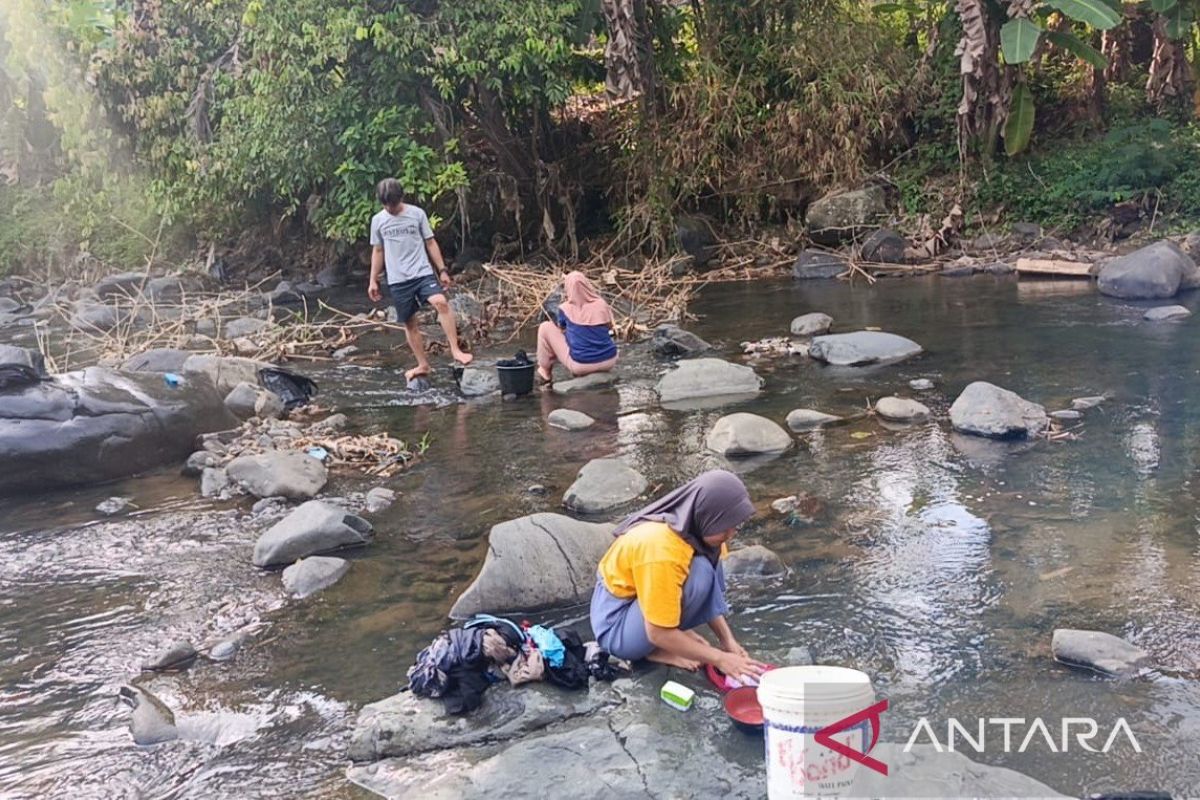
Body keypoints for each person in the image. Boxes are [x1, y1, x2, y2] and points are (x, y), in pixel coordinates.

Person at [590, 470, 767, 680]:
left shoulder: (701, 533)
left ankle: (669, 636)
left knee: (703, 570)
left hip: (639, 607)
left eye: (734, 526)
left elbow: (710, 595)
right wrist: (720, 659)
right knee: (698, 576)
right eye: (724, 528)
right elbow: (657, 632)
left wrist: (728, 641)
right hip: (614, 626)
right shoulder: (661, 551)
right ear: (705, 516)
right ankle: (655, 650)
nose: (730, 534)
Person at [368, 178, 473, 381]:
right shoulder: (378, 220)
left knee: (441, 303)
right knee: (409, 322)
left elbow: (431, 243)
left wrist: (442, 270)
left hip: (422, 272)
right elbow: (378, 250)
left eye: (393, 204)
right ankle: (423, 365)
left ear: (401, 198)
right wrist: (373, 280)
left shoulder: (417, 214)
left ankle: (455, 350)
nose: (389, 208)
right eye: (386, 205)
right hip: (398, 279)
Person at [536, 271, 618, 385]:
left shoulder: (565, 308)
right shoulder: (601, 304)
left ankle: (545, 372)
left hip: (581, 365)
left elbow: (562, 329)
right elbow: (609, 327)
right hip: (609, 360)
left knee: (545, 327)